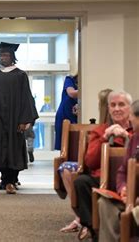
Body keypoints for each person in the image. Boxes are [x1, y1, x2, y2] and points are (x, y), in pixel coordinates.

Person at [0, 42, 38, 194]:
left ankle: (9, 182)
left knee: (13, 150)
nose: (3, 57)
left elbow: (26, 98)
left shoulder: (20, 75)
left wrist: (25, 120)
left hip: (14, 120)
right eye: (1, 55)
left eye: (6, 55)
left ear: (12, 56)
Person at [73, 90, 133, 240]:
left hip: (130, 180)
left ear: (130, 108)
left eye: (121, 104)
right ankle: (94, 229)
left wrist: (127, 137)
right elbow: (90, 162)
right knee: (81, 182)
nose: (117, 109)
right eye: (113, 105)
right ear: (108, 108)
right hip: (103, 180)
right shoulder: (100, 131)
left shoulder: (136, 129)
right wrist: (105, 137)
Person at [58, 88, 112, 233]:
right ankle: (80, 216)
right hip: (96, 170)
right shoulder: (100, 130)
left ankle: (83, 218)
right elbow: (90, 159)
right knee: (69, 170)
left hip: (114, 172)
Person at [97, 99, 139, 242]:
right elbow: (122, 170)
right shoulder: (134, 139)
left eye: (132, 115)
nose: (130, 119)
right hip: (129, 195)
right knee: (104, 203)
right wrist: (123, 188)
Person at [54, 74, 79, 150]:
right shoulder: (70, 79)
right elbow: (71, 93)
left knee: (73, 144)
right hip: (64, 115)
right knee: (64, 144)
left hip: (73, 116)